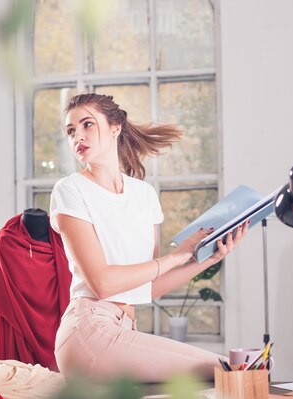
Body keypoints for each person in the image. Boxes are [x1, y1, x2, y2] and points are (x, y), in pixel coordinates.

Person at [49, 93, 249, 382]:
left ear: (115, 127)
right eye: (71, 130)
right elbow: (102, 284)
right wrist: (177, 256)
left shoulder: (144, 195)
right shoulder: (70, 190)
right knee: (230, 370)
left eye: (87, 125)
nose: (78, 136)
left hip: (124, 328)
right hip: (87, 329)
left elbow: (149, 287)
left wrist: (208, 259)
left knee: (230, 372)